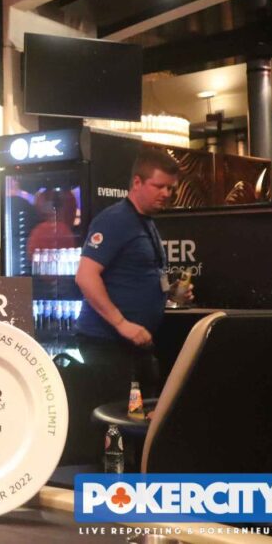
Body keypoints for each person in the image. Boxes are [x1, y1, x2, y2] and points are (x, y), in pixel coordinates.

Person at [74, 148, 186, 400]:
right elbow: (85, 276)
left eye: (171, 188)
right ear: (137, 182)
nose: (166, 194)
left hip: (136, 344)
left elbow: (138, 276)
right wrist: (121, 323)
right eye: (159, 186)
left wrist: (172, 293)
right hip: (107, 344)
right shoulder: (115, 220)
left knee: (141, 414)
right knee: (121, 416)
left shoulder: (146, 221)